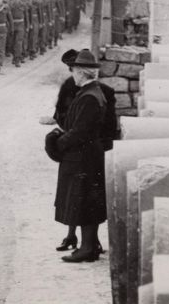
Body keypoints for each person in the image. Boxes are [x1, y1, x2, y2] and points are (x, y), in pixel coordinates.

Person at [46, 49, 107, 263]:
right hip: (87, 155)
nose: (72, 75)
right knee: (86, 201)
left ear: (81, 73)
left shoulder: (89, 96)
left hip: (83, 157)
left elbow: (80, 131)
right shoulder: (92, 92)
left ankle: (87, 248)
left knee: (84, 202)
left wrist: (58, 142)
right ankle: (89, 245)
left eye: (74, 71)